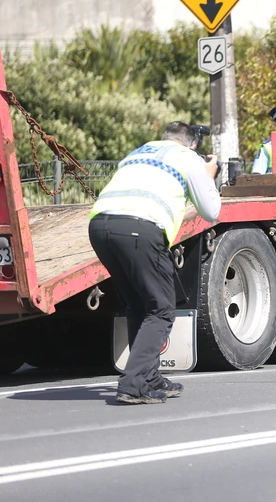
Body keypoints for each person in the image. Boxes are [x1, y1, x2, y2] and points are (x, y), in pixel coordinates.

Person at [89, 122, 221, 405]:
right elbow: (211, 211)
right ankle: (133, 383)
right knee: (161, 308)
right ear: (192, 143)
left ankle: (148, 376)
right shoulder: (188, 158)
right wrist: (208, 176)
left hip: (100, 227)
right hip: (140, 228)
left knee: (139, 304)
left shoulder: (138, 152)